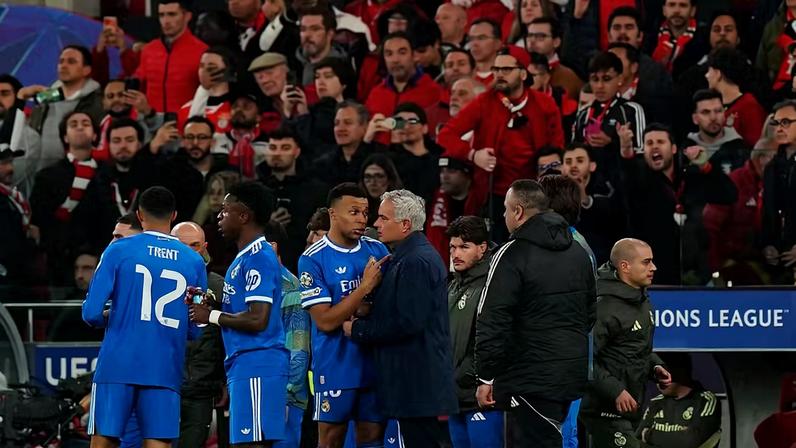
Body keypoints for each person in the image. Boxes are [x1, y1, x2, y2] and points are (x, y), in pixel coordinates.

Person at [82, 186, 208, 448]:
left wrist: (117, 315)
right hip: (165, 367)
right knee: (158, 442)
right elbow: (197, 325)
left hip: (118, 364)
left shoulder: (118, 250)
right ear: (174, 215)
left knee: (104, 438)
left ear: (139, 215)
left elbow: (91, 313)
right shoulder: (194, 261)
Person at [475, 179, 595, 448]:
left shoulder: (510, 252)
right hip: (568, 375)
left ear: (518, 212)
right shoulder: (578, 251)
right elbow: (589, 315)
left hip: (528, 379)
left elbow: (492, 319)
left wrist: (486, 376)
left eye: (506, 209)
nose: (504, 215)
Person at [345, 189, 458, 447]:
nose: (376, 224)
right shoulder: (406, 257)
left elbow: (408, 322)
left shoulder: (416, 261)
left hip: (417, 385)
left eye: (384, 218)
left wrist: (359, 330)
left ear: (405, 224)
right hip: (415, 384)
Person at [188, 181, 290, 447]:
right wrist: (216, 306)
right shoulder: (242, 258)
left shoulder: (259, 257)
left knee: (252, 444)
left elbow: (258, 319)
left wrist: (209, 316)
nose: (219, 216)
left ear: (244, 215)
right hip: (245, 363)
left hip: (258, 362)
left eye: (225, 210)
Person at [438, 48, 564, 242]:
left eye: (506, 69)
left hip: (535, 196)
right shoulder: (484, 102)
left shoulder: (545, 104)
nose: (499, 74)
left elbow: (558, 147)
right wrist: (473, 154)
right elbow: (446, 135)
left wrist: (549, 168)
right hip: (491, 196)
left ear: (523, 73)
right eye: (496, 69)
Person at [297, 183, 390, 448]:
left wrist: (359, 307)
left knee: (372, 438)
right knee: (331, 440)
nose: (362, 219)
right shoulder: (312, 259)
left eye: (365, 212)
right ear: (333, 214)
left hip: (374, 363)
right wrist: (364, 289)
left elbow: (385, 306)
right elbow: (325, 321)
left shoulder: (377, 250)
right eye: (354, 212)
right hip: (335, 365)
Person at [580, 238, 673, 448]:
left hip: (631, 407)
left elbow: (635, 348)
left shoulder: (642, 300)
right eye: (646, 262)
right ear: (625, 266)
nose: (654, 268)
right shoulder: (603, 307)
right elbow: (583, 358)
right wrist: (615, 390)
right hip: (602, 410)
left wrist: (655, 366)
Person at [619, 123, 737, 285]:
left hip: (695, 273)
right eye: (649, 143)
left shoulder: (691, 177)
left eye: (660, 142)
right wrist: (626, 152)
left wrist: (705, 166)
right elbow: (628, 179)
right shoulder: (640, 182)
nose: (654, 147)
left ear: (673, 149)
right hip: (654, 275)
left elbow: (729, 195)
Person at [30, 111, 115, 285]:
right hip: (61, 261)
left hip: (103, 256)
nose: (80, 127)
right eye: (73, 124)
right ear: (65, 137)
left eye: (85, 123)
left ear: (95, 135)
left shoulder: (109, 173)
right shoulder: (47, 176)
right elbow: (40, 219)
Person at [445, 216, 502, 448]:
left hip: (480, 395)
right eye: (453, 247)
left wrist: (472, 377)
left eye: (464, 247)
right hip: (455, 394)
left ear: (482, 248)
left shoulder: (492, 285)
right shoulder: (453, 285)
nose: (456, 254)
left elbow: (491, 339)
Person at [171, 222, 226, 448]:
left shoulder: (219, 287)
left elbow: (229, 337)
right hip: (163, 386)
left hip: (201, 391)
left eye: (194, 246)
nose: (188, 252)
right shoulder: (155, 285)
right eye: (182, 246)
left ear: (204, 247)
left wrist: (223, 381)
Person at [264, 222, 311, 448]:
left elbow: (299, 350)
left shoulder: (292, 289)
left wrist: (285, 396)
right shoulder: (251, 285)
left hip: (284, 398)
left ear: (272, 247)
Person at [20, 45, 103, 172]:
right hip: (40, 173)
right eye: (61, 61)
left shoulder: (97, 101)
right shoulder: (48, 95)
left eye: (71, 62)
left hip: (77, 173)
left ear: (86, 70)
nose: (63, 66)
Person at [257, 126, 327, 272]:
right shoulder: (254, 190)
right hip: (261, 264)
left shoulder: (315, 190)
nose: (277, 153)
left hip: (305, 263)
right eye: (273, 147)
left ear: (297, 152)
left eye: (285, 148)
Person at [571, 51, 646, 179]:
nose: (600, 86)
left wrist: (613, 142)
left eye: (606, 79)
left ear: (620, 79)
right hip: (589, 183)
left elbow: (641, 154)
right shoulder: (583, 113)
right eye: (595, 79)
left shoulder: (631, 110)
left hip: (623, 182)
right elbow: (572, 151)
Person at [365, 32, 444, 144]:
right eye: (389, 54)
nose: (395, 60)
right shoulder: (375, 93)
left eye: (402, 52)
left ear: (414, 55)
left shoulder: (433, 91)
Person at [134, 0, 208, 113]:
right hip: (151, 122)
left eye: (172, 14)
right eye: (161, 15)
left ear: (187, 16)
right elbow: (138, 86)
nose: (166, 21)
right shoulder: (149, 50)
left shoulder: (203, 52)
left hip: (187, 123)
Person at [636, 353, 722, 447]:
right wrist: (679, 436)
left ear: (678, 372)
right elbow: (638, 440)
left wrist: (649, 435)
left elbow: (690, 441)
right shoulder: (656, 402)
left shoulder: (705, 400)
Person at [561, 143, 625, 265]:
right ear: (563, 169)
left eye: (580, 161)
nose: (573, 165)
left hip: (603, 261)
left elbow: (611, 221)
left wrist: (584, 199)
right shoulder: (556, 195)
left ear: (592, 166)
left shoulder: (606, 190)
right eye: (568, 162)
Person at [762, 101, 796, 282]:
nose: (779, 129)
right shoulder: (772, 168)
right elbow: (768, 212)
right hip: (780, 261)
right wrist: (768, 245)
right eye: (776, 123)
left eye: (786, 122)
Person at [706, 47, 767, 149]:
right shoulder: (718, 108)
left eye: (709, 70)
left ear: (718, 73)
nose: (706, 75)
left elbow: (757, 148)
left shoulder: (749, 106)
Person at [387, 102, 443, 203]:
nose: (406, 126)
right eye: (400, 122)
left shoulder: (440, 159)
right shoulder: (388, 161)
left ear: (425, 128)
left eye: (412, 121)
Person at [311, 101, 378, 186]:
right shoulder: (323, 163)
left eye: (347, 122)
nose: (340, 128)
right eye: (337, 123)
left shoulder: (379, 157)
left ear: (365, 127)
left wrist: (364, 145)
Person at [683, 89, 749, 173]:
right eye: (706, 112)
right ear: (695, 118)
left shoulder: (739, 149)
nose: (713, 118)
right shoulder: (686, 148)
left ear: (724, 114)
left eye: (718, 111)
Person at [176, 47, 236, 136]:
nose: (204, 71)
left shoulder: (237, 109)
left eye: (211, 67)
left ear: (228, 71)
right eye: (201, 66)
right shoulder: (185, 110)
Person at [0, 145, 37, 285]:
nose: (10, 168)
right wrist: (31, 241)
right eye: (3, 163)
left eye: (11, 162)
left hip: (16, 275)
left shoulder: (12, 197)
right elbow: (9, 241)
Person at [106, 118, 157, 219]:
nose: (123, 145)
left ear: (139, 144)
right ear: (109, 145)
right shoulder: (101, 178)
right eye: (116, 141)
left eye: (129, 140)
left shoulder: (155, 176)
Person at [426, 157, 472, 266]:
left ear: (467, 175)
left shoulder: (482, 203)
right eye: (442, 171)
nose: (444, 176)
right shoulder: (431, 201)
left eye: (452, 171)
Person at [525, 17, 582, 100]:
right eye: (530, 36)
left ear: (556, 42)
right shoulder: (517, 69)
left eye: (540, 36)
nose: (532, 41)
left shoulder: (568, 77)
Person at [297, 5, 348, 86]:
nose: (307, 35)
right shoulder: (291, 66)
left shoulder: (343, 70)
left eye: (315, 29)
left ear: (330, 34)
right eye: (303, 29)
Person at [651, 0, 701, 73]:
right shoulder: (649, 41)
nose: (676, 10)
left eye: (683, 5)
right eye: (671, 5)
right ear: (664, 10)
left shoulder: (704, 42)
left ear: (693, 11)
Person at [359, 154, 403, 227]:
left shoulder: (402, 209)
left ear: (390, 179)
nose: (373, 182)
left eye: (379, 176)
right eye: (368, 177)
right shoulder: (357, 207)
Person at [468, 19, 504, 87]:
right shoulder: (464, 77)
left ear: (497, 43)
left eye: (481, 38)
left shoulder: (507, 78)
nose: (474, 43)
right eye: (471, 39)